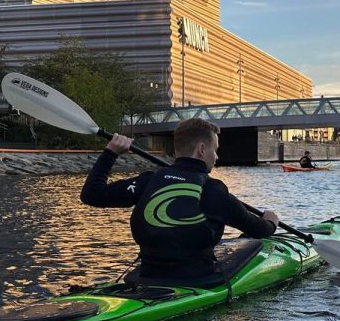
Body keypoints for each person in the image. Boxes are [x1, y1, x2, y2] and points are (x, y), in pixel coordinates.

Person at [81, 118, 280, 282]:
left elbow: (91, 194)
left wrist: (110, 153)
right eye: (215, 149)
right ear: (202, 150)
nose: (217, 156)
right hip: (198, 279)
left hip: (146, 276)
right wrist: (271, 221)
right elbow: (257, 229)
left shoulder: (149, 180)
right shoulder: (212, 189)